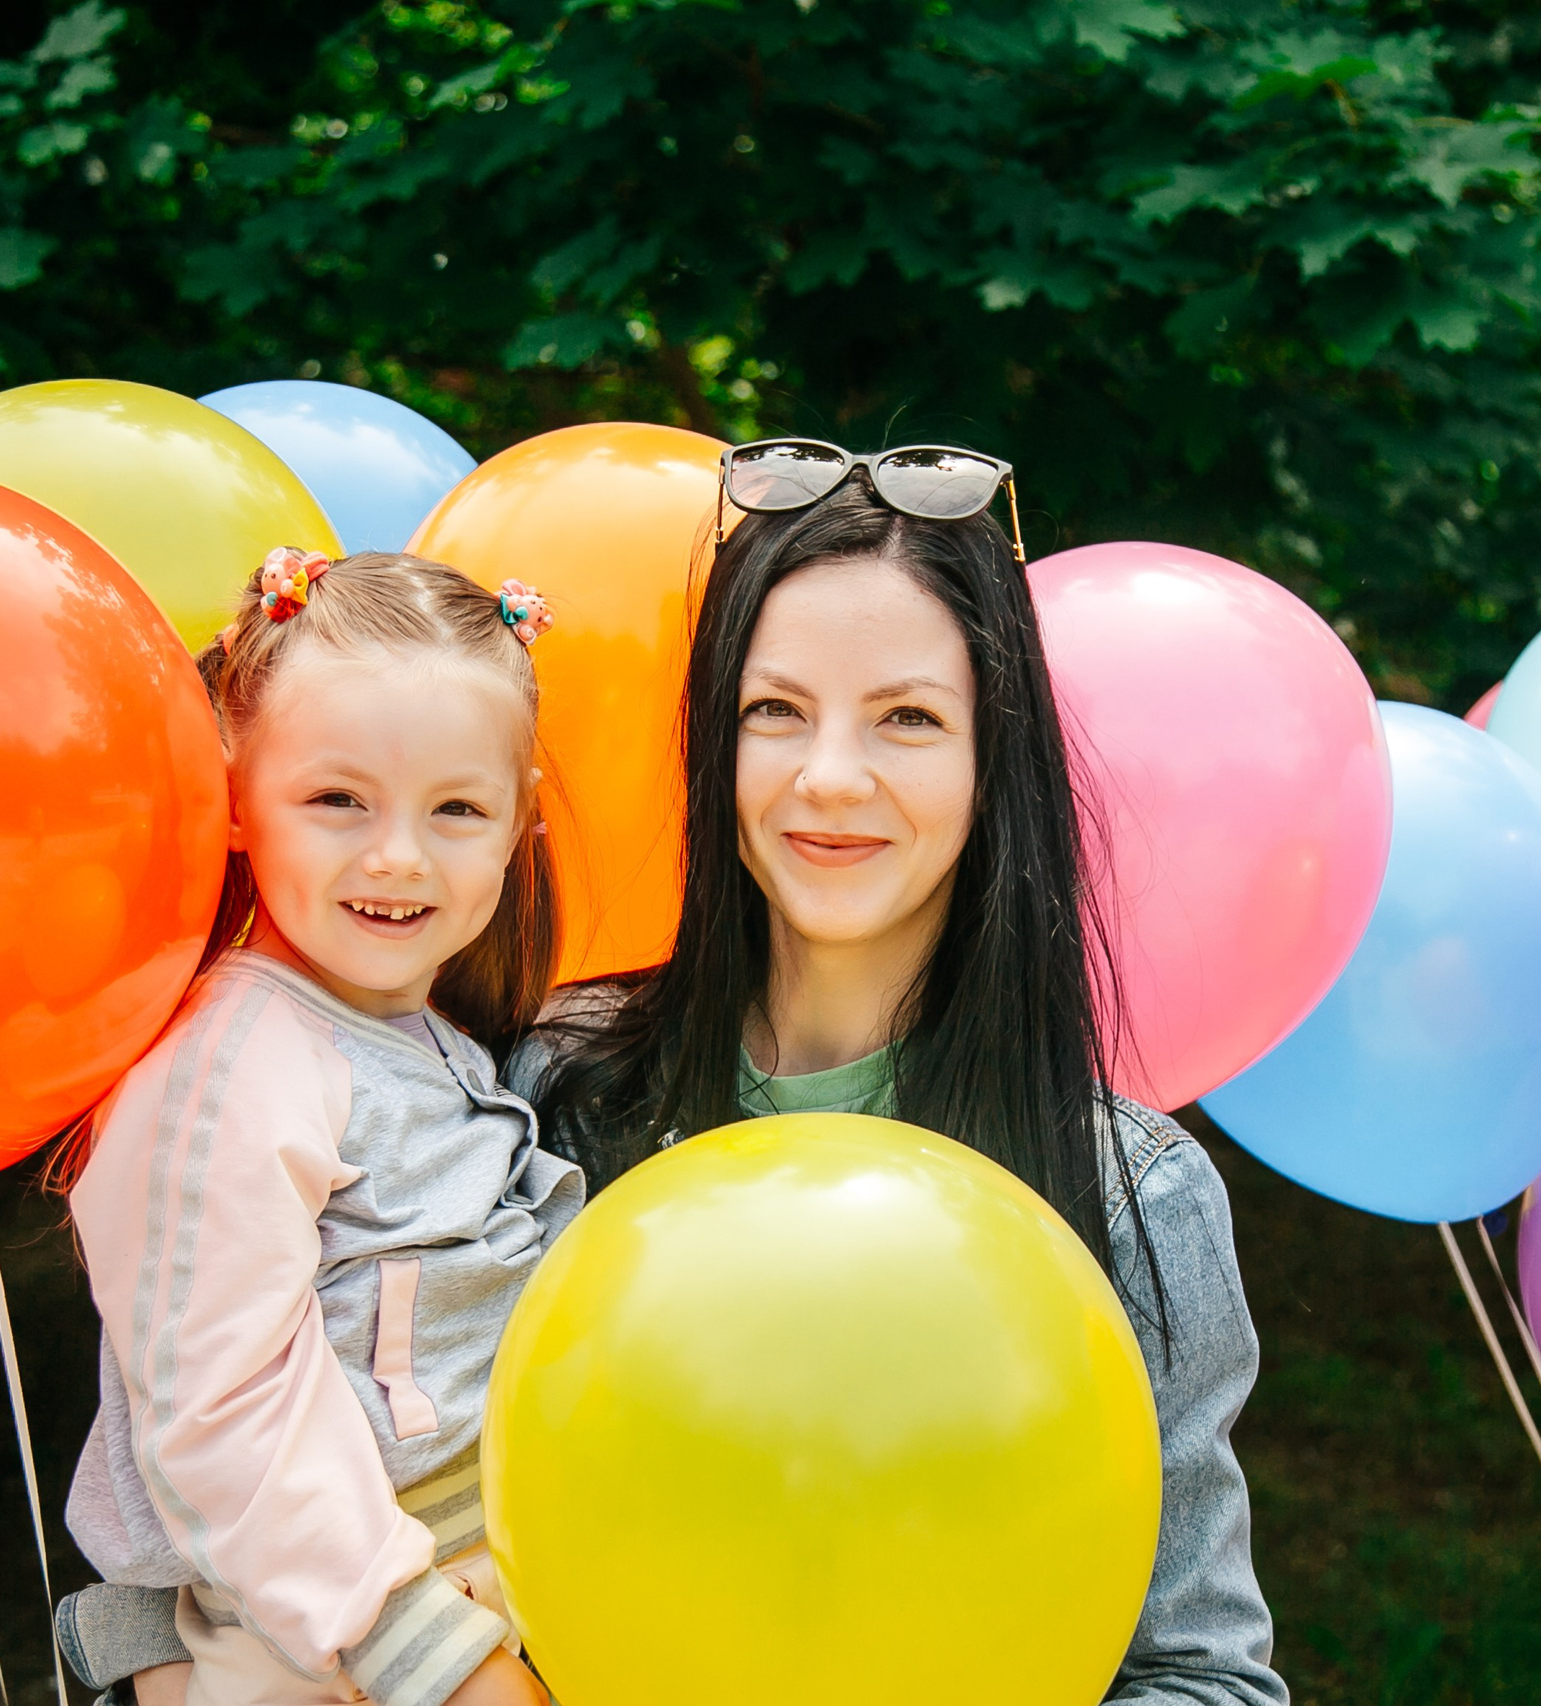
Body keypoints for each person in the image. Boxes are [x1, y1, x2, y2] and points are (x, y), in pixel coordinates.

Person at [522, 441, 1288, 1706]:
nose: (830, 775)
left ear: (996, 760)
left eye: (908, 718)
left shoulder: (1130, 1193)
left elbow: (1202, 1677)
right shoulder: (555, 1092)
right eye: (776, 711)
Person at [53, 547, 576, 1706]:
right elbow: (222, 1406)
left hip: (465, 1595)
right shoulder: (231, 1067)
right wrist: (420, 1649)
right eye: (338, 798)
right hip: (319, 1640)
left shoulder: (425, 1031)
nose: (396, 853)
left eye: (456, 808)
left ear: (518, 823)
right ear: (237, 795)